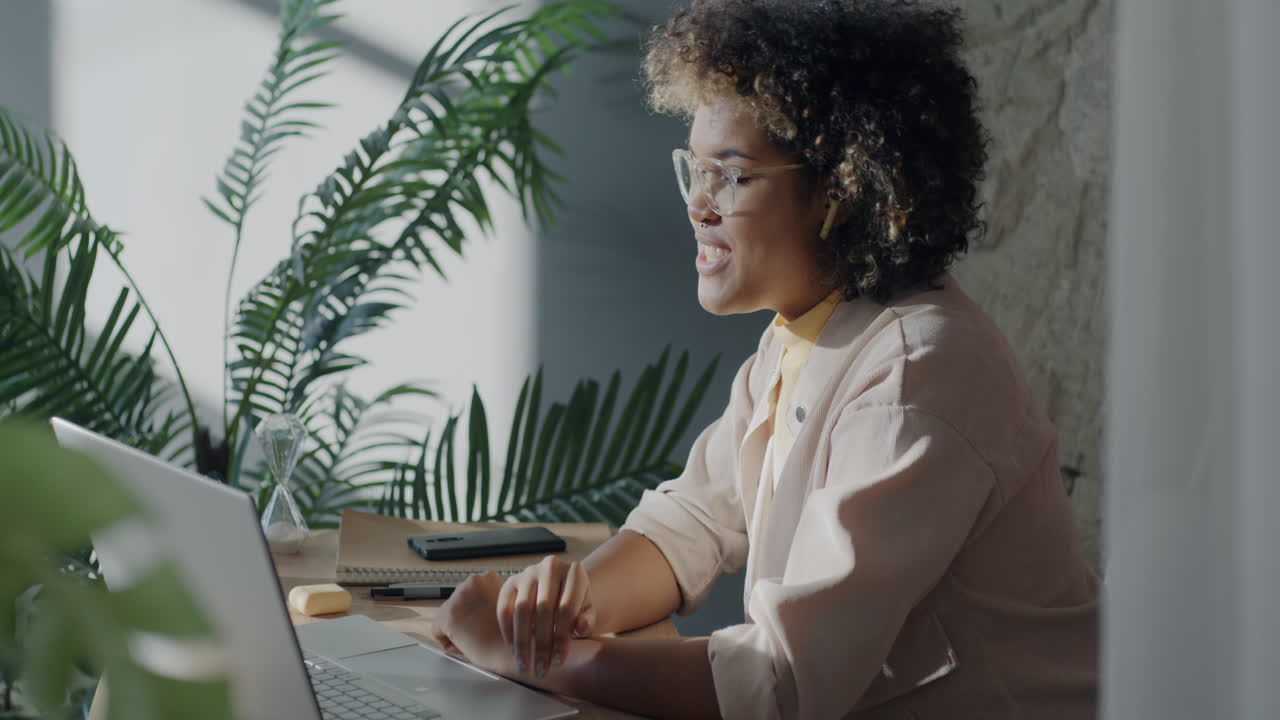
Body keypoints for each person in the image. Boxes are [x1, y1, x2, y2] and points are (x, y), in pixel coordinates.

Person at [430, 0, 1100, 717]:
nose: (698, 203)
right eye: (694, 168)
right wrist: (564, 606)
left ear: (841, 191)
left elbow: (776, 684)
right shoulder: (809, 333)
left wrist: (533, 660)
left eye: (733, 175)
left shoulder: (915, 377)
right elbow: (690, 523)